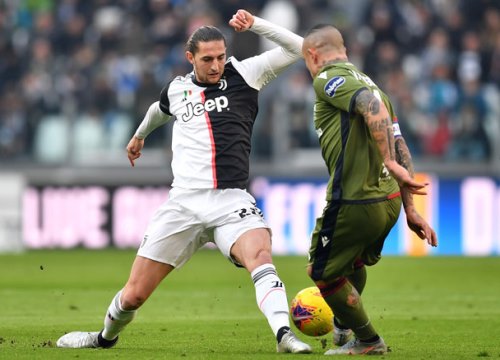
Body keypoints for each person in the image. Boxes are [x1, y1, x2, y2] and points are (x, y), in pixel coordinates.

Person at [56, 9, 312, 354]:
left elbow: (300, 47)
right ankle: (104, 338)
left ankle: (284, 335)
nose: (216, 65)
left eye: (221, 56)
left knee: (261, 255)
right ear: (190, 58)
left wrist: (257, 25)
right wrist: (139, 136)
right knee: (134, 294)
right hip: (184, 203)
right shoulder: (176, 89)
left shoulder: (246, 73)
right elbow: (157, 111)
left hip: (231, 200)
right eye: (207, 59)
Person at [300, 24, 438, 355]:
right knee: (352, 263)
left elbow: (370, 109)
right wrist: (410, 208)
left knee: (321, 272)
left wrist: (388, 162)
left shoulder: (327, 79)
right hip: (388, 200)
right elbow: (400, 142)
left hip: (354, 199)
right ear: (344, 50)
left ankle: (367, 340)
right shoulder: (373, 84)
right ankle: (344, 326)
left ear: (313, 55)